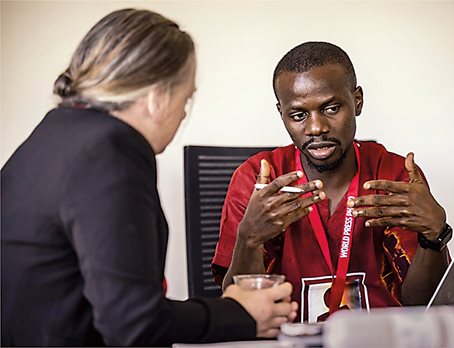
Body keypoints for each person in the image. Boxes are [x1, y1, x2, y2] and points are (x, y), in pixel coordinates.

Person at [0, 9, 298, 346]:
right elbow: (134, 324)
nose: (184, 112)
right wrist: (238, 313)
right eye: (186, 98)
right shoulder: (108, 154)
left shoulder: (54, 134)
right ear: (157, 98)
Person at [211, 41, 451, 323]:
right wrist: (249, 238)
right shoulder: (257, 179)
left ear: (357, 101)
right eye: (298, 115)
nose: (316, 128)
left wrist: (433, 236)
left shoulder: (395, 174)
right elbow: (240, 312)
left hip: (382, 340)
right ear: (281, 114)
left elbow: (422, 305)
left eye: (332, 108)